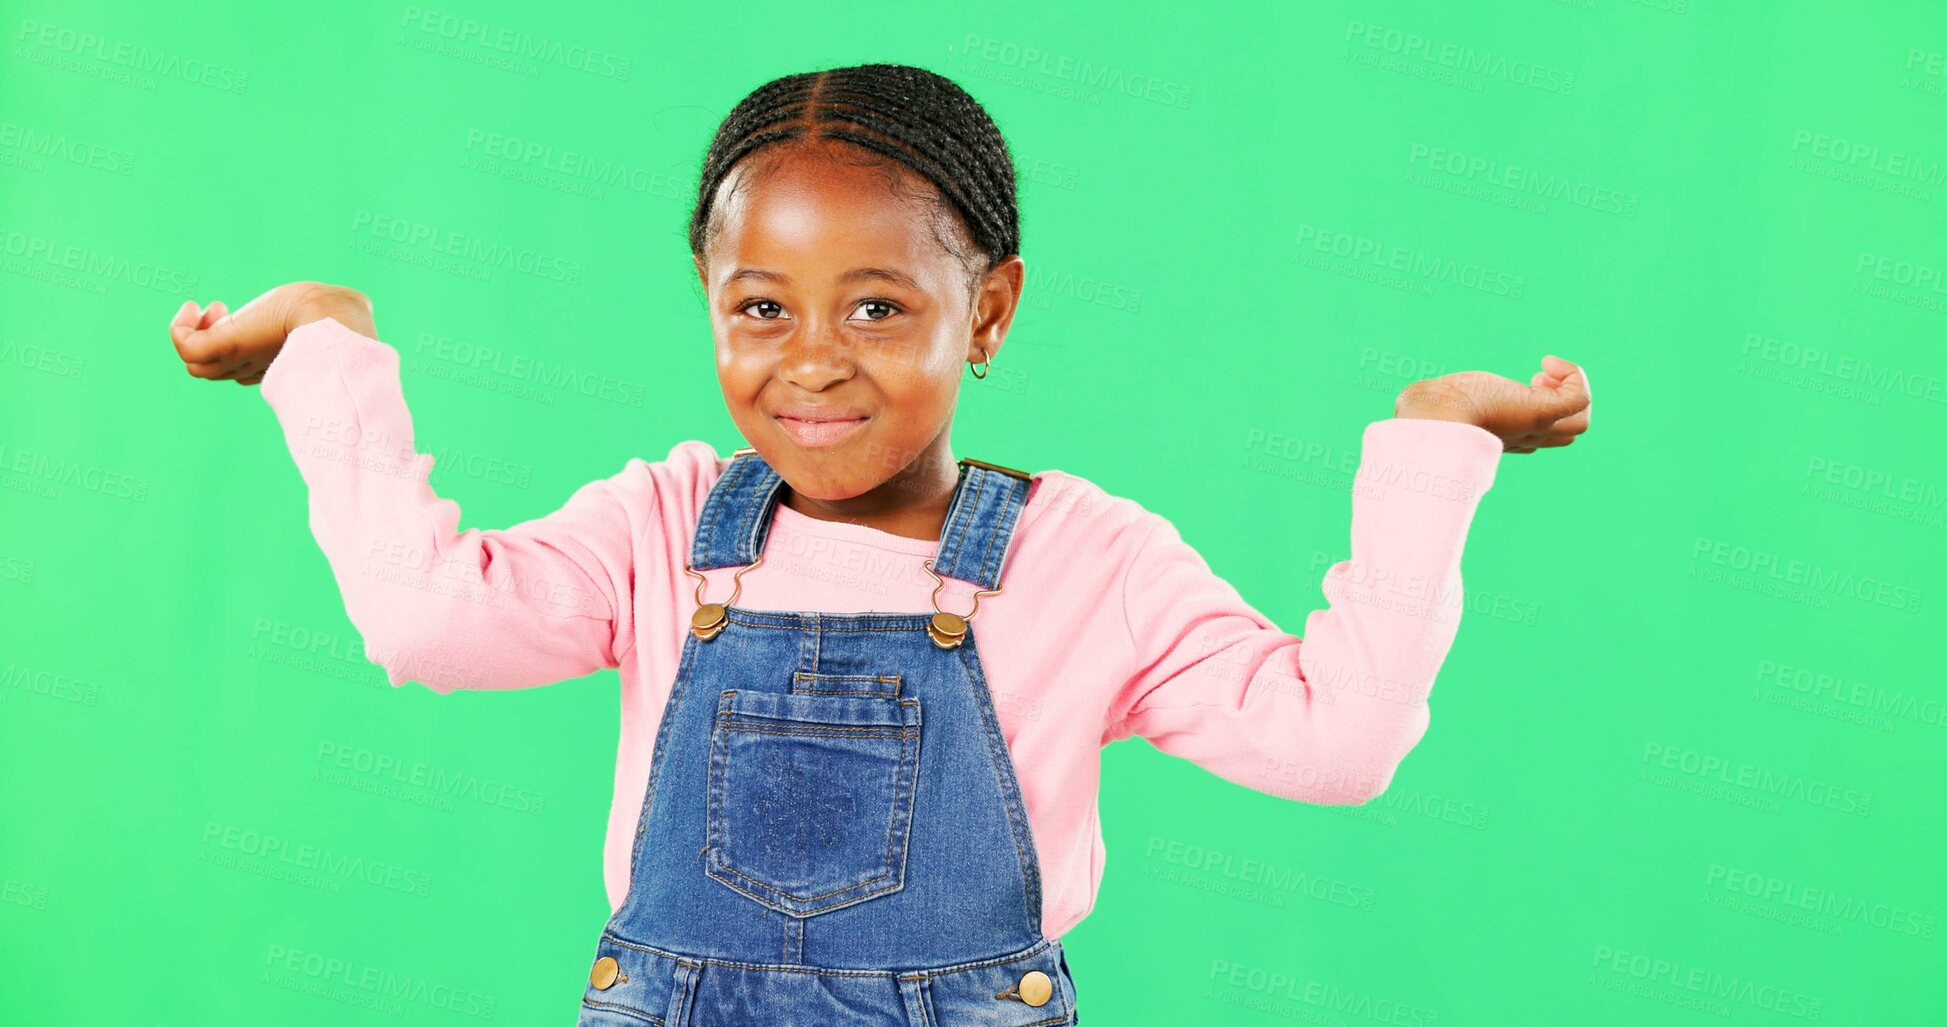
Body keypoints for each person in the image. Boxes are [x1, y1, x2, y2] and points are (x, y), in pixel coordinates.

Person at [166, 62, 1590, 1027]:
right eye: (761, 307)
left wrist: (1433, 451)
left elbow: (1334, 746)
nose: (812, 363)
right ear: (708, 304)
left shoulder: (1087, 558)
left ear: (990, 312)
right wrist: (323, 362)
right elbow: (428, 625)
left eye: (878, 308)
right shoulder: (665, 524)